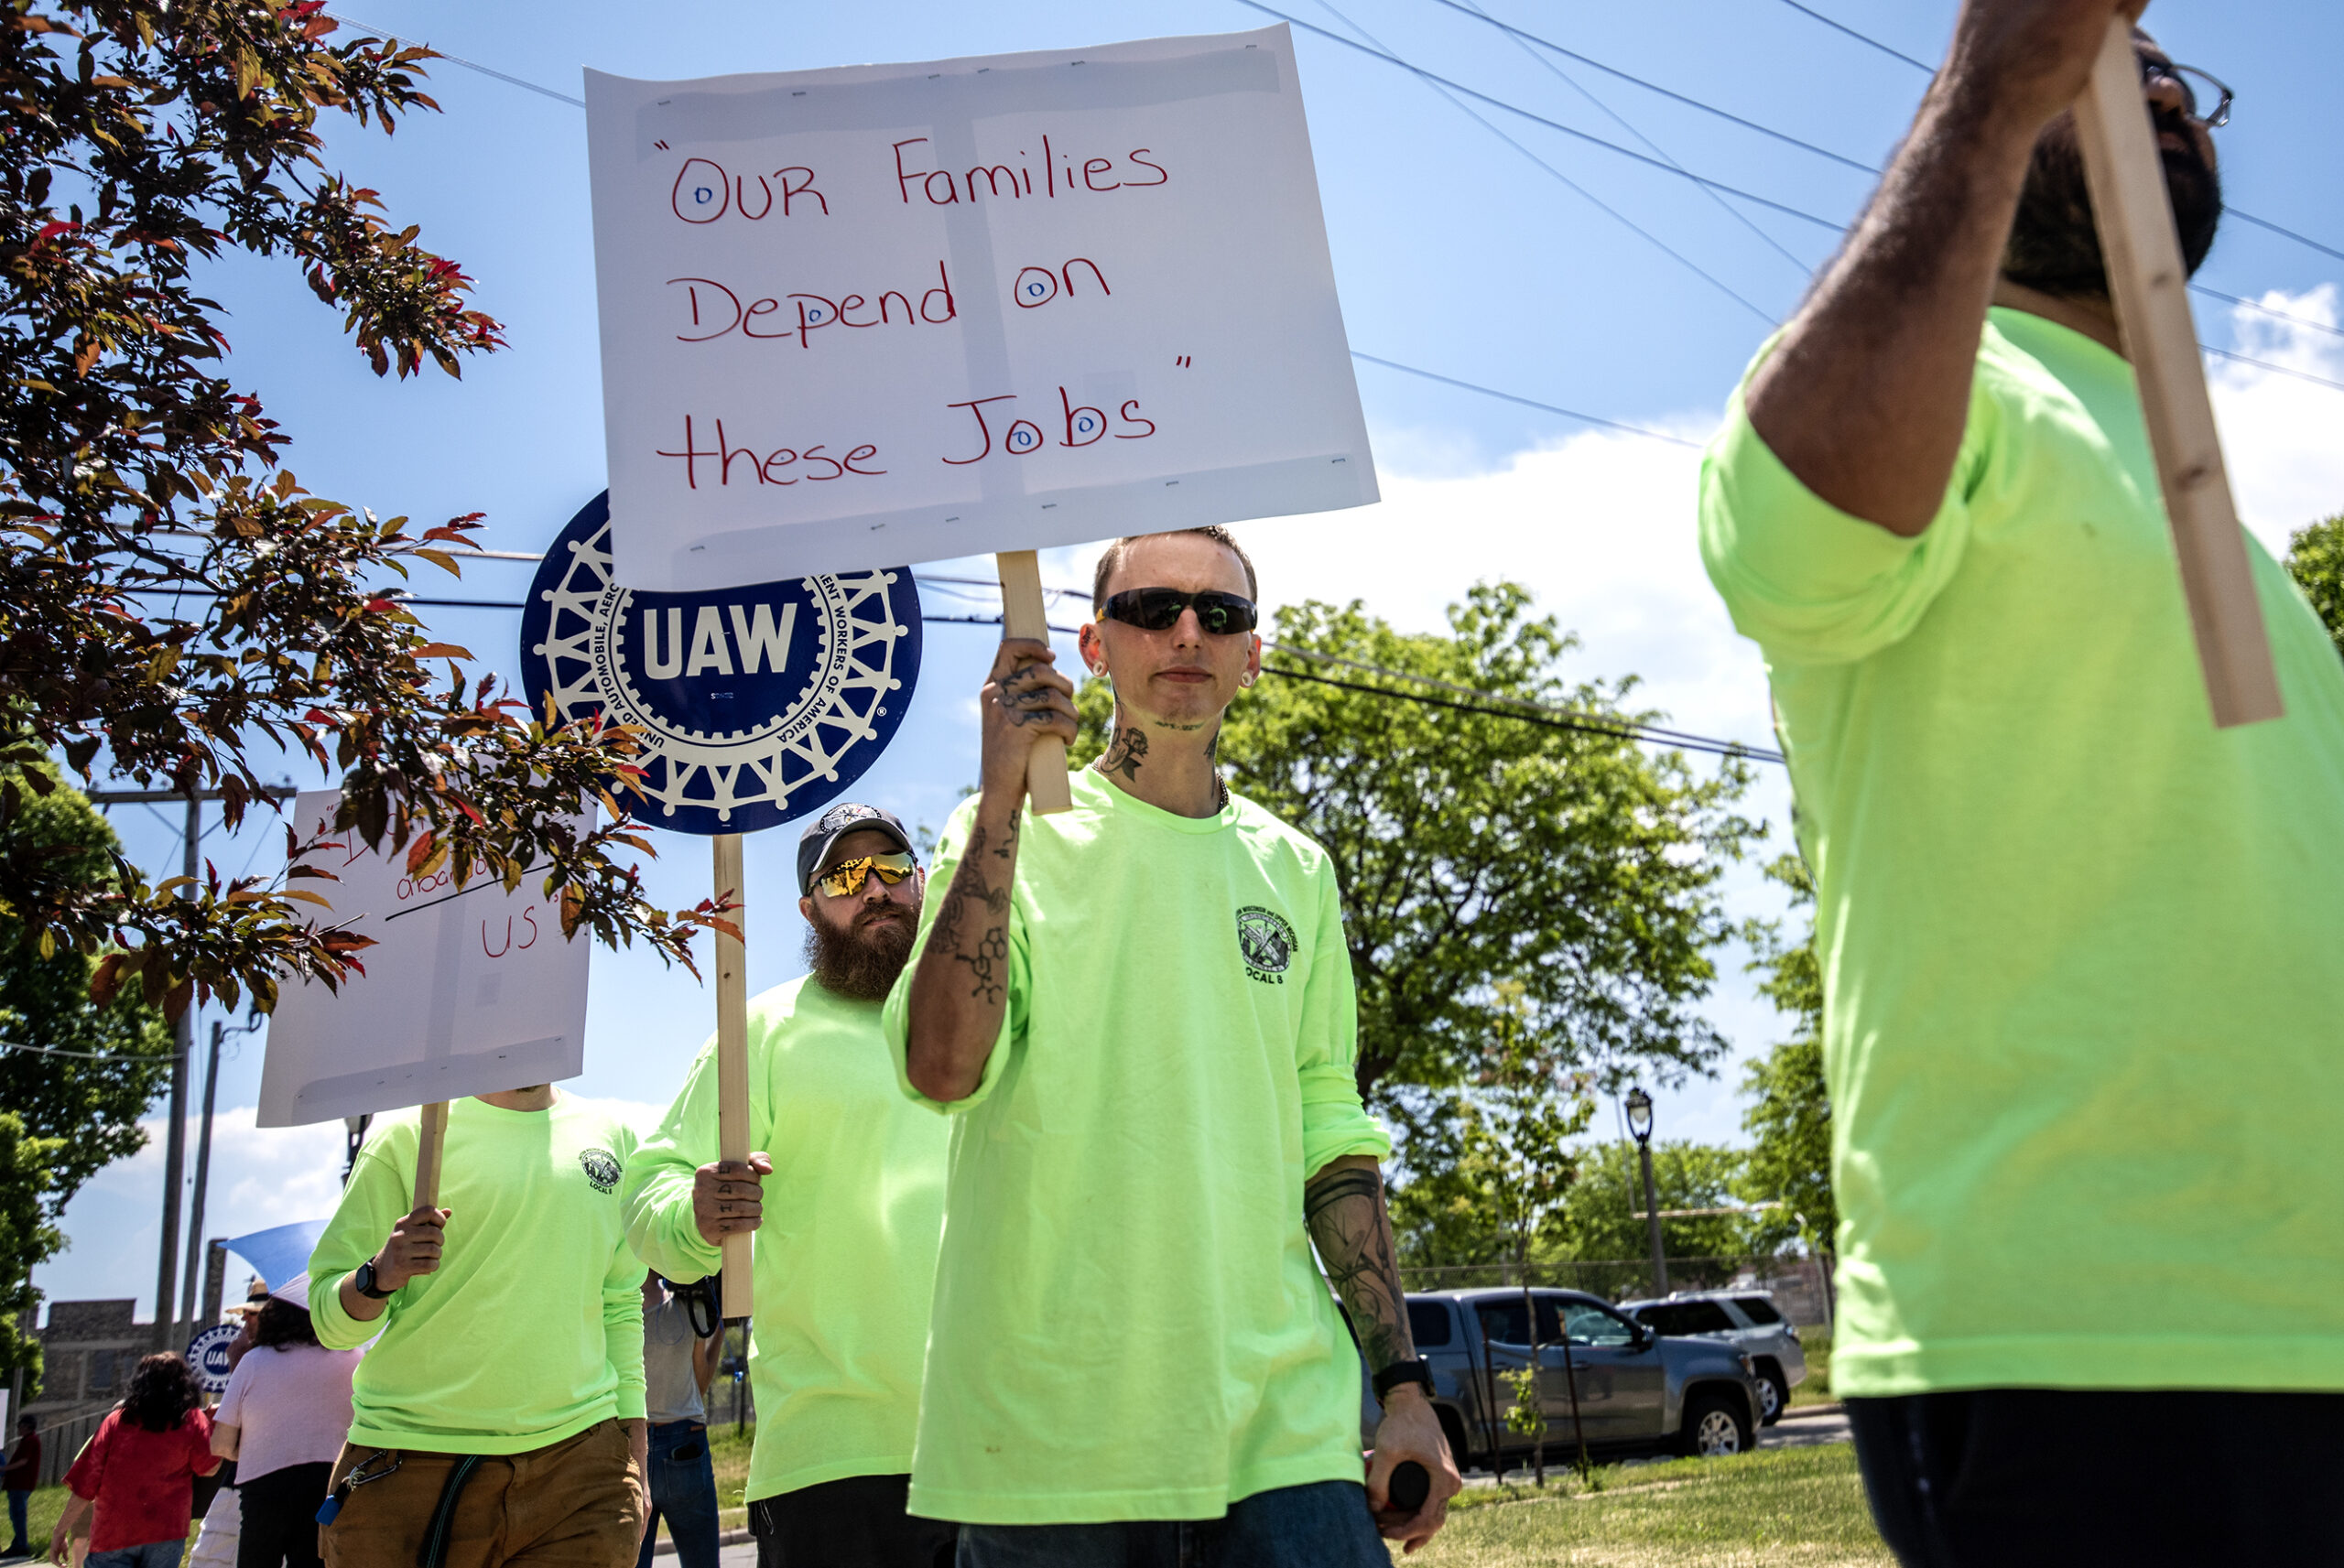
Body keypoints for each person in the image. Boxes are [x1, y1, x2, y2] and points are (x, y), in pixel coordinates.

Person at [1696, 2, 2344, 1562]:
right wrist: (1995, 86)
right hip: (2084, 1333)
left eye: (2174, 74)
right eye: (2104, 59)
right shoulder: (1947, 390)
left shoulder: (2237, 533)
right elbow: (1788, 532)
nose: (2149, 84)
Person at [888, 527, 1461, 1564]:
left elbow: (1332, 1144)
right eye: (1152, 608)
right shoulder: (1001, 831)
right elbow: (941, 1069)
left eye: (1220, 614)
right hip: (1049, 1436)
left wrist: (1402, 1388)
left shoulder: (1298, 872)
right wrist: (1004, 805)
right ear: (1094, 645)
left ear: (1254, 652)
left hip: (1285, 1429)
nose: (1187, 631)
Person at [624, 803, 955, 1568]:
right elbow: (648, 1193)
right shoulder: (762, 1030)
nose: (873, 888)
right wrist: (696, 1210)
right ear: (809, 907)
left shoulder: (982, 1018)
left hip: (1000, 1443)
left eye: (892, 868)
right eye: (844, 875)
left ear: (923, 881)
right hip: (832, 1458)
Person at [306, 1087, 649, 1568]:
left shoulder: (615, 1135)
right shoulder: (405, 1136)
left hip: (582, 1470)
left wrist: (634, 1454)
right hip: (409, 1468)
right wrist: (380, 1274)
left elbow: (619, 1301)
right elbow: (329, 1323)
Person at [211, 1278, 364, 1568]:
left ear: (273, 1316)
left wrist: (259, 1448)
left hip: (264, 1487)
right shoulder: (354, 1358)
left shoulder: (254, 1361)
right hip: (331, 1485)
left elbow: (221, 1444)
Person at [51, 1352, 220, 1568]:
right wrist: (213, 1427)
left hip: (113, 1533)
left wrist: (60, 1531)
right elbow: (209, 1468)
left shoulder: (117, 1420)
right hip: (166, 1531)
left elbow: (86, 1481)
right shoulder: (192, 1420)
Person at [628, 1275, 720, 1568]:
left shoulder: (616, 1310)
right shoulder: (690, 1309)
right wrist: (720, 1330)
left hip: (631, 1446)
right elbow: (701, 1383)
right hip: (684, 1443)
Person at [5, 1414, 40, 1557]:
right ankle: (17, 1544)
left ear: (26, 1426)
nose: (18, 1428)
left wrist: (3, 1469)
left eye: (20, 1425)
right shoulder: (26, 1440)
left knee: (18, 1515)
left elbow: (23, 1461)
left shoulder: (31, 1441)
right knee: (16, 1515)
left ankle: (21, 1546)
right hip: (18, 1484)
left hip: (21, 1484)